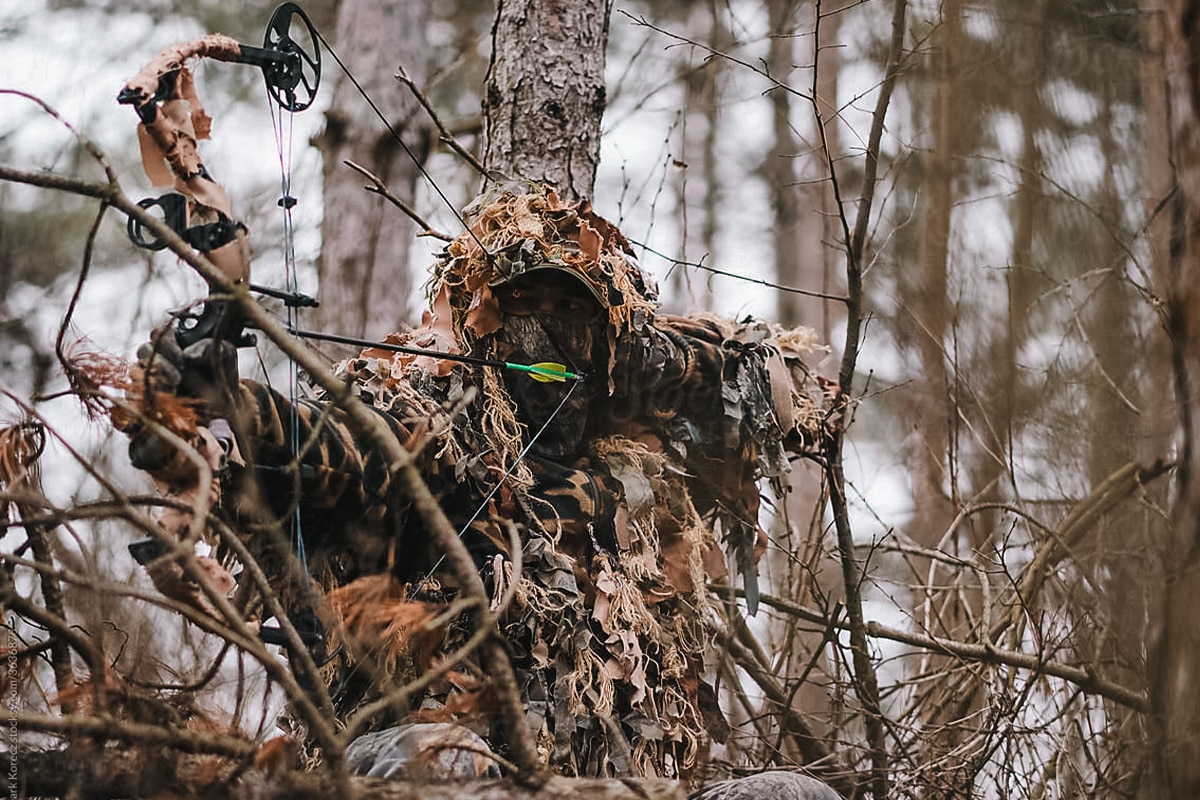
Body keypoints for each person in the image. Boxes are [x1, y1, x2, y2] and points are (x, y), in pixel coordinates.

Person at [123, 187, 830, 783]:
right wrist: (222, 405)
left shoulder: (641, 460)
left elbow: (788, 390)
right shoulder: (445, 428)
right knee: (449, 760)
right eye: (522, 310)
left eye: (573, 315)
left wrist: (638, 347)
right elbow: (346, 446)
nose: (547, 338)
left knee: (792, 796)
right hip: (428, 761)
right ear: (483, 328)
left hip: (602, 789)